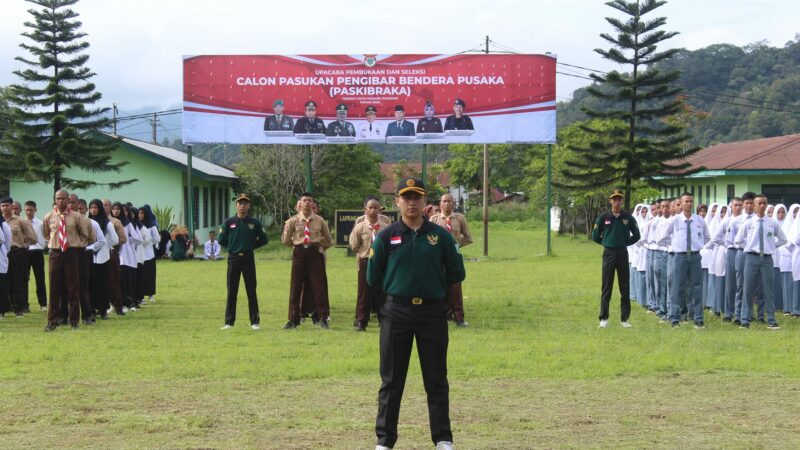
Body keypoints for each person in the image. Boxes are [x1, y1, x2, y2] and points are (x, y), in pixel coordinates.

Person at [367, 177, 465, 450]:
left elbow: (456, 272)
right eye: (406, 197)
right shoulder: (386, 236)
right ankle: (384, 441)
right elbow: (373, 276)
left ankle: (443, 439)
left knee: (436, 379)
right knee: (391, 380)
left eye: (417, 197)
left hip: (432, 313)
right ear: (397, 202)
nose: (411, 202)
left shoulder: (440, 236)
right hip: (396, 312)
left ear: (425, 202)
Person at [43, 189, 94, 331]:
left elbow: (84, 235)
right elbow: (46, 234)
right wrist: (55, 244)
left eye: (63, 198)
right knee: (54, 288)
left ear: (68, 200)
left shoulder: (76, 217)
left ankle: (74, 321)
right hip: (55, 253)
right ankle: (52, 321)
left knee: (73, 287)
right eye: (58, 198)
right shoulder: (49, 217)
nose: (60, 201)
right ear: (55, 200)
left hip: (71, 253)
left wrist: (76, 245)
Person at [658, 192, 711, 328]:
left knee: (697, 287)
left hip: (695, 256)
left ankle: (698, 319)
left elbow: (706, 237)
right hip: (680, 257)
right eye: (686, 201)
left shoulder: (699, 220)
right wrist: (675, 244)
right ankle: (675, 318)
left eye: (690, 201)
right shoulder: (675, 220)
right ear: (681, 204)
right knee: (677, 287)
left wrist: (697, 245)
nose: (688, 204)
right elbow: (663, 237)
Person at [282, 192, 333, 329]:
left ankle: (322, 318)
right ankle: (293, 319)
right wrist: (296, 246)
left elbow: (328, 239)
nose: (307, 203)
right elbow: (285, 239)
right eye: (304, 200)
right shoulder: (293, 220)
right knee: (295, 287)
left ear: (312, 203)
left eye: (309, 200)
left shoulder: (319, 220)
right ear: (300, 203)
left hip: (314, 253)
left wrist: (321, 247)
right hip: (299, 253)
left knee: (318, 286)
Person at [735, 194, 787, 329]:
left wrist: (771, 246)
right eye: (760, 203)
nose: (762, 206)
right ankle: (745, 319)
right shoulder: (748, 223)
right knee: (748, 289)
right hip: (751, 258)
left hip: (767, 259)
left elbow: (783, 239)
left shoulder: (772, 223)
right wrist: (748, 247)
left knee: (768, 290)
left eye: (764, 203)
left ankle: (771, 319)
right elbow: (738, 240)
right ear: (754, 205)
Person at [591, 189, 640, 328]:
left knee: (624, 286)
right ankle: (603, 318)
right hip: (609, 253)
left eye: (619, 199)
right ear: (610, 201)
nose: (617, 202)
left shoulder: (628, 218)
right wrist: (606, 242)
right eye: (614, 199)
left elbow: (637, 235)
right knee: (607, 286)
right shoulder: (603, 217)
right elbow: (595, 236)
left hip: (622, 253)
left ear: (622, 201)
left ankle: (625, 319)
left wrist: (625, 242)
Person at [218, 194, 268, 330]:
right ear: (236, 205)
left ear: (249, 205)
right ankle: (229, 322)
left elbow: (264, 239)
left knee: (251, 290)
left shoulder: (254, 222)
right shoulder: (229, 222)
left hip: (248, 258)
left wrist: (251, 246)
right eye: (240, 203)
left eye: (245, 203)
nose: (242, 206)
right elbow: (221, 239)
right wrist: (233, 246)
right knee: (231, 291)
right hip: (233, 258)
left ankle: (255, 322)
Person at [429, 193, 473, 327]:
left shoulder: (460, 218)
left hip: (454, 256)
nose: (447, 204)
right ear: (440, 204)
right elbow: (428, 237)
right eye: (444, 201)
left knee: (456, 286)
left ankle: (459, 317)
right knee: (439, 284)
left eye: (449, 201)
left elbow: (468, 237)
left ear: (453, 203)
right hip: (439, 257)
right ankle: (442, 315)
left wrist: (456, 246)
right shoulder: (434, 219)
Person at [348, 196, 391, 331]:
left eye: (375, 207)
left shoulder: (386, 227)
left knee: (381, 292)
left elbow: (390, 246)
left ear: (379, 209)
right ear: (365, 209)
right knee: (364, 292)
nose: (373, 210)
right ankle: (362, 321)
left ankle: (383, 319)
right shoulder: (360, 227)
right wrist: (364, 253)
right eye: (370, 207)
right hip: (365, 261)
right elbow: (354, 245)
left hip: (381, 263)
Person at [0, 196, 37, 316]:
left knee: (18, 281)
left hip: (16, 253)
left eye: (7, 205)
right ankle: (6, 307)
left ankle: (19, 309)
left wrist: (24, 244)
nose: (5, 208)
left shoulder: (20, 221)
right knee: (4, 281)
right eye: (2, 206)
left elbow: (32, 237)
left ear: (12, 206)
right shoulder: (1, 221)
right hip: (3, 254)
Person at [87, 199, 114, 320]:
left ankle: (103, 310)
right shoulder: (87, 221)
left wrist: (107, 246)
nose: (93, 210)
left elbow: (115, 239)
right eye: (91, 207)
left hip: (102, 257)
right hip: (90, 257)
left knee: (102, 284)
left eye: (95, 207)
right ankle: (92, 309)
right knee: (91, 284)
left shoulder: (106, 222)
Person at [102, 198, 127, 316]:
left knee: (114, 280)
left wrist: (110, 243)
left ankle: (118, 306)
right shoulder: (93, 221)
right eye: (102, 205)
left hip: (111, 253)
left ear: (110, 207)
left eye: (106, 205)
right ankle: (102, 306)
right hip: (98, 254)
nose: (103, 207)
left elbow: (122, 239)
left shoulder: (115, 222)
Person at [23, 201, 48, 311]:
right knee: (24, 279)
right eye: (27, 210)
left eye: (31, 210)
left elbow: (44, 237)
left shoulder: (40, 223)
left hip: (37, 252)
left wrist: (41, 246)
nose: (29, 212)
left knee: (40, 279)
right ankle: (24, 305)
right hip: (25, 252)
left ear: (35, 210)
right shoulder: (21, 223)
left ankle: (43, 304)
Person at [140, 205, 161, 303]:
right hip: (139, 254)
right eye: (139, 213)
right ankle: (141, 296)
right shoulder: (136, 225)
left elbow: (157, 238)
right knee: (141, 276)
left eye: (142, 213)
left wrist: (149, 243)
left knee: (150, 275)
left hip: (149, 254)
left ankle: (151, 294)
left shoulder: (151, 226)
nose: (140, 215)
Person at [0, 214, 12, 319]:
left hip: (0, 258)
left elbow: (8, 242)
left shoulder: (3, 225)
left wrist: (4, 251)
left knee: (1, 286)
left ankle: (1, 311)